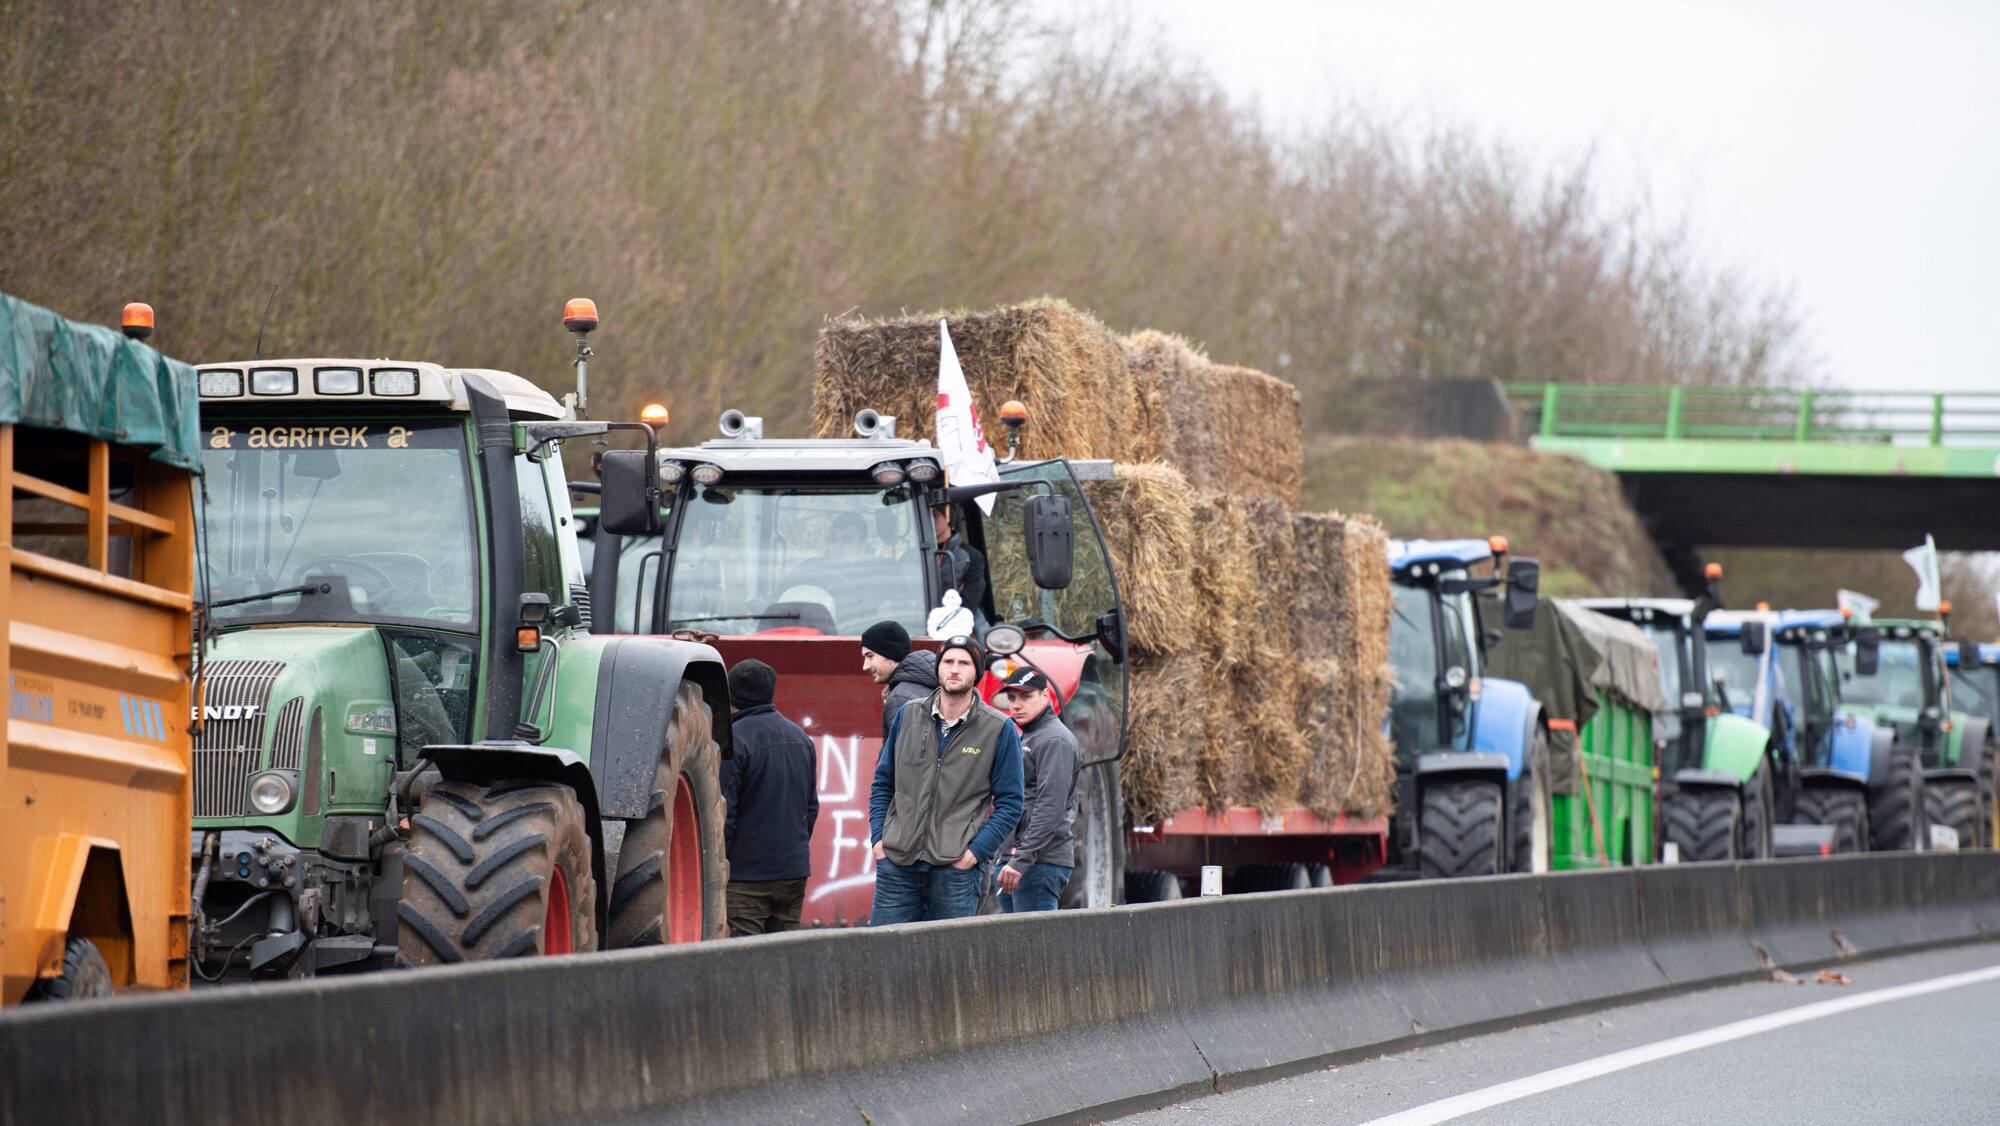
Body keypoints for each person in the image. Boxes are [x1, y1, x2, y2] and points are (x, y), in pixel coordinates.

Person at [867, 635, 1023, 924]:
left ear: (977, 672)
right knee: (885, 958)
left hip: (955, 871)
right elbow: (883, 784)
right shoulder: (908, 715)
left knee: (948, 962)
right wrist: (879, 841)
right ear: (938, 668)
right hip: (897, 865)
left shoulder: (999, 728)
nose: (954, 669)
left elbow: (1011, 804)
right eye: (948, 661)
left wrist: (974, 854)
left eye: (963, 663)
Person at [719, 658, 819, 936]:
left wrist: (720, 868)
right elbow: (811, 808)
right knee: (784, 958)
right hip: (793, 872)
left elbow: (724, 815)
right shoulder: (801, 738)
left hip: (746, 878)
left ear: (731, 695)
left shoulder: (733, 741)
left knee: (742, 961)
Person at [994, 667, 1080, 913]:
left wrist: (1020, 861)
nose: (1017, 705)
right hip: (1019, 861)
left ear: (1045, 696)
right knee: (1019, 946)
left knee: (1037, 947)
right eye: (1012, 698)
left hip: (1039, 862)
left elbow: (1049, 807)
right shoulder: (1030, 737)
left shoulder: (1054, 740)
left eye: (1025, 697)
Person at [862, 619, 938, 741]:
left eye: (870, 656)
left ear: (891, 653)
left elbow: (907, 756)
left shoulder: (900, 697)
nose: (865, 666)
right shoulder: (925, 683)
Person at [932, 503, 989, 633]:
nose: (930, 518)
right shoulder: (911, 557)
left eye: (935, 514)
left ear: (948, 517)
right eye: (927, 514)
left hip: (963, 630)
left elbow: (969, 603)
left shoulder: (972, 556)